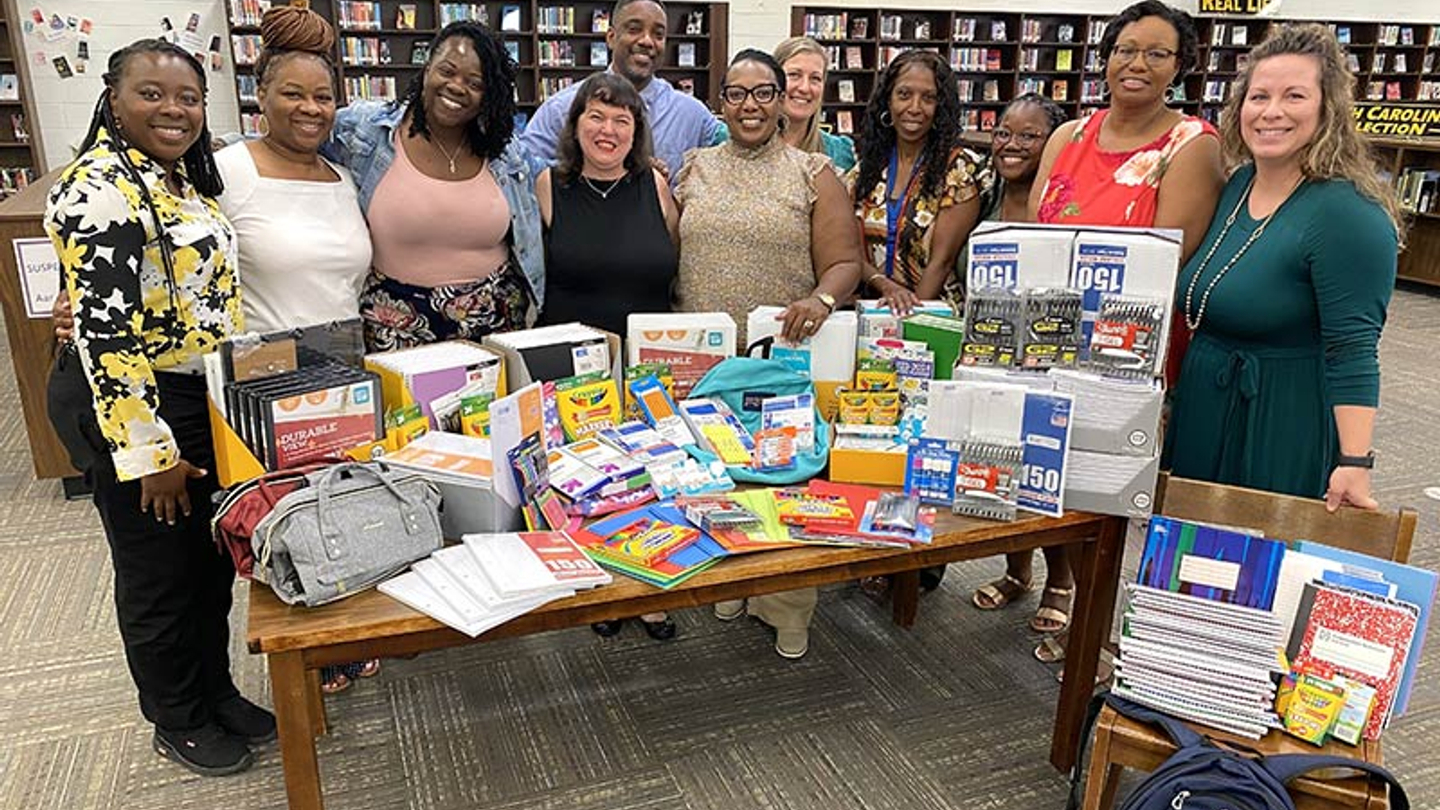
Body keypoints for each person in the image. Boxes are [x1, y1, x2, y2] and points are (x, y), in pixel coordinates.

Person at [43, 40, 269, 777]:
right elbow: (106, 338)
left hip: (195, 388)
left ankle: (215, 690)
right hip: (132, 404)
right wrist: (153, 456)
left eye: (188, 97)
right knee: (156, 572)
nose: (173, 109)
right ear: (113, 99)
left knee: (206, 564)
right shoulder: (97, 188)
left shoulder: (177, 181)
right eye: (152, 93)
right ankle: (176, 717)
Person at [1027, 0, 1224, 665]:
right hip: (1046, 344)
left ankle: (1103, 640)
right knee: (1048, 477)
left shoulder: (1191, 147)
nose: (1136, 64)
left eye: (1156, 52)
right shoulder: (1068, 137)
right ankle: (1070, 600)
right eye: (1124, 49)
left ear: (1180, 66)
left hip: (1124, 357)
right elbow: (1034, 244)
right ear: (1106, 56)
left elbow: (1166, 270)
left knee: (1111, 494)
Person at [1166, 23, 1400, 510]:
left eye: (1294, 96)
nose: (1271, 112)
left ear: (1327, 109)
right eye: (1259, 97)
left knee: (1256, 568)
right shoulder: (1237, 185)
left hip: (1280, 420)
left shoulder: (1347, 213)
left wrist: (1355, 463)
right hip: (1205, 406)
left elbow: (1354, 350)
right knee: (1189, 563)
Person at [214, 5, 379, 695]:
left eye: (323, 97)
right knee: (279, 523)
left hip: (343, 371)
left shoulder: (341, 178)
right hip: (264, 379)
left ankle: (342, 640)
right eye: (294, 94)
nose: (310, 108)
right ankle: (299, 667)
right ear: (262, 98)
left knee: (342, 511)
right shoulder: (225, 170)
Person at [679, 50, 862, 658]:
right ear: (721, 103)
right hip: (703, 362)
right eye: (736, 93)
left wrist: (823, 298)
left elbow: (845, 262)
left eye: (763, 93)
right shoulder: (692, 167)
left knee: (780, 483)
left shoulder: (813, 173)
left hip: (778, 359)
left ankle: (785, 609)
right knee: (719, 481)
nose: (750, 105)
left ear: (784, 100)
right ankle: (732, 585)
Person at [535, 72, 680, 642]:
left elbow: (675, 267)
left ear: (637, 130)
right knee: (586, 485)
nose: (608, 128)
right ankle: (601, 586)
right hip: (574, 369)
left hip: (645, 367)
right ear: (574, 124)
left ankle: (650, 588)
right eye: (596, 115)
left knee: (650, 480)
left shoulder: (657, 187)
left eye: (623, 119)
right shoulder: (548, 185)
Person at [327, 20, 543, 350]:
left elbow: (562, 178)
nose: (457, 87)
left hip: (496, 325)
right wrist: (227, 154)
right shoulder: (364, 130)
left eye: (475, 82)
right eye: (447, 71)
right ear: (427, 68)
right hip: (395, 324)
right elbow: (296, 139)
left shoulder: (506, 151)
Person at [968, 95, 1076, 627]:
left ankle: (1060, 580)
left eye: (1029, 136)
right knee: (1001, 461)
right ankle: (1017, 571)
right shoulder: (985, 196)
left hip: (1046, 357)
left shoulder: (1060, 204)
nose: (1011, 145)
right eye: (1003, 133)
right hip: (988, 350)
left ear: (1053, 143)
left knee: (1046, 468)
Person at [850, 50, 992, 315]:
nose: (914, 108)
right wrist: (886, 287)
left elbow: (942, 261)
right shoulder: (867, 168)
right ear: (888, 102)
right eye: (904, 95)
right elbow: (850, 249)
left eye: (928, 98)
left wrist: (909, 319)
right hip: (875, 309)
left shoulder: (959, 170)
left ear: (941, 107)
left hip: (934, 314)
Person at [521, 0, 718, 180]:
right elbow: (524, 174)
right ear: (611, 37)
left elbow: (732, 154)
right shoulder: (561, 108)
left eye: (658, 34)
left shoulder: (693, 115)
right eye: (634, 29)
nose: (647, 41)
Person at [712, 36, 857, 172]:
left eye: (815, 78)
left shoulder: (840, 153)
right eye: (794, 75)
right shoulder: (726, 140)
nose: (804, 88)